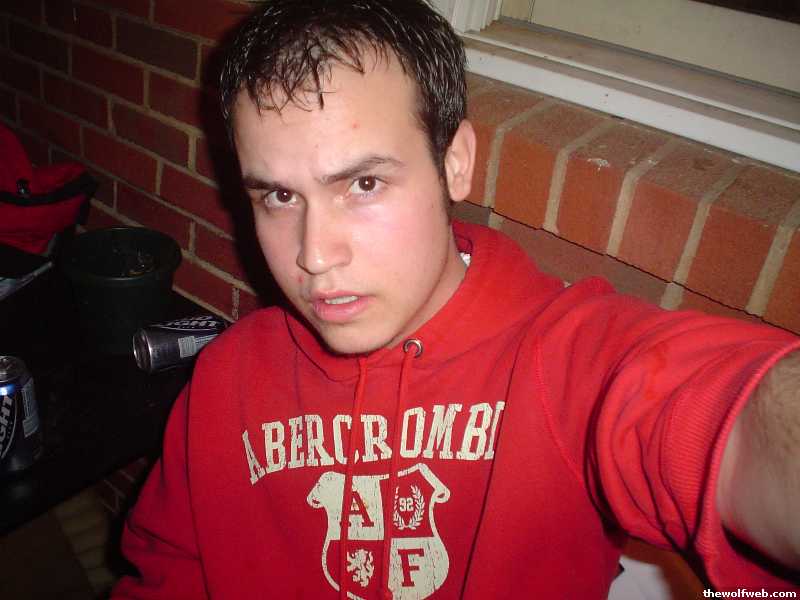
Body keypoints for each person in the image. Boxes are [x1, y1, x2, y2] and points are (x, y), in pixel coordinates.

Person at [111, 0, 800, 598]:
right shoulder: (226, 378)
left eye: (364, 184)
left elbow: (720, 417)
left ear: (455, 162)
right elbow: (166, 572)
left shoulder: (565, 362)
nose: (314, 255)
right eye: (280, 196)